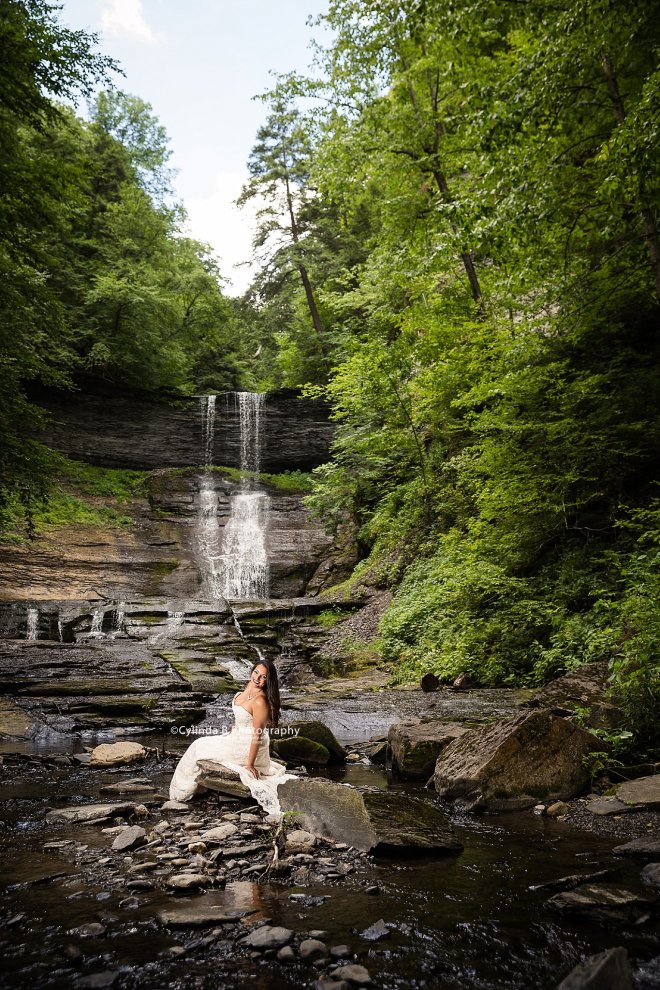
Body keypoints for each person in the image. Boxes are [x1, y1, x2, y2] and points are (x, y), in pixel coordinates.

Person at [169, 657, 295, 815]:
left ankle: (183, 791)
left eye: (263, 677)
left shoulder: (260, 701)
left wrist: (249, 764)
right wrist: (238, 725)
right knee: (199, 744)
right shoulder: (249, 687)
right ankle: (191, 788)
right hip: (239, 736)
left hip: (250, 745)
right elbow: (245, 717)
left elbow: (257, 735)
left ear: (268, 680)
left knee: (199, 746)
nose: (257, 678)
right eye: (256, 672)